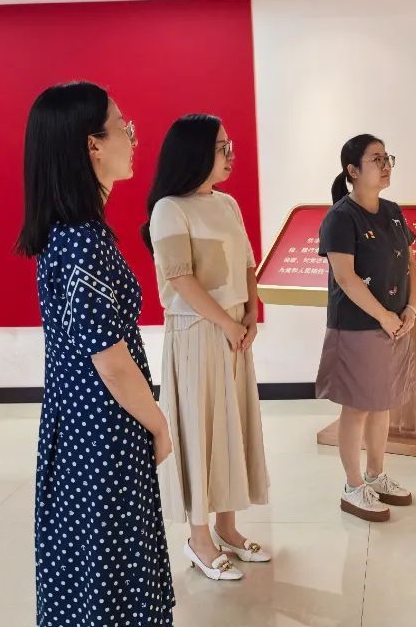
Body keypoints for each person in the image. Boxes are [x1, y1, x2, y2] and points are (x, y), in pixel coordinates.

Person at [15, 82, 174, 626]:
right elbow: (110, 360)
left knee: (88, 562)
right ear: (93, 146)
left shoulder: (70, 234)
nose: (133, 137)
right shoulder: (83, 240)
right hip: (102, 430)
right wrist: (158, 423)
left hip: (79, 425)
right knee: (111, 565)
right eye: (123, 126)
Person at [144, 114, 270, 582]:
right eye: (221, 147)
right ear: (194, 152)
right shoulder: (168, 209)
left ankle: (228, 528)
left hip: (234, 330)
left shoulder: (227, 203)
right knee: (199, 430)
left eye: (229, 145)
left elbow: (248, 264)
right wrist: (227, 323)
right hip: (197, 331)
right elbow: (180, 278)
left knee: (232, 427)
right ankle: (199, 538)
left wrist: (250, 314)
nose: (230, 155)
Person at [316, 134, 416, 523]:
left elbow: (410, 263)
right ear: (353, 170)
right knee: (358, 406)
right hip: (358, 326)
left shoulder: (392, 211)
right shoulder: (340, 218)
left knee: (382, 402)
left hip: (394, 323)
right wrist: (384, 316)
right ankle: (353, 485)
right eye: (376, 159)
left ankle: (376, 475)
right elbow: (346, 278)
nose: (386, 165)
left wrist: (411, 307)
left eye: (387, 157)